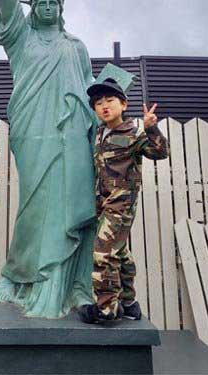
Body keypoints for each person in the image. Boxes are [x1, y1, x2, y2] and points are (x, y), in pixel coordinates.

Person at [0, 0, 97, 318]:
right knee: (34, 206)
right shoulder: (21, 37)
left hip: (72, 134)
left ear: (62, 8)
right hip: (34, 131)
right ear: (31, 8)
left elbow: (91, 92)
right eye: (40, 1)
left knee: (71, 207)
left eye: (54, 2)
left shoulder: (76, 46)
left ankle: (68, 286)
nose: (48, 5)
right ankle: (21, 275)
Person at [78, 79, 169, 323]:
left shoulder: (133, 133)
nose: (104, 106)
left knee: (102, 253)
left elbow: (159, 153)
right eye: (98, 103)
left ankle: (106, 309)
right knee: (120, 253)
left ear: (123, 104)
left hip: (122, 204)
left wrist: (151, 128)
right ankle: (129, 304)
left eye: (109, 101)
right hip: (103, 203)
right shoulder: (99, 132)